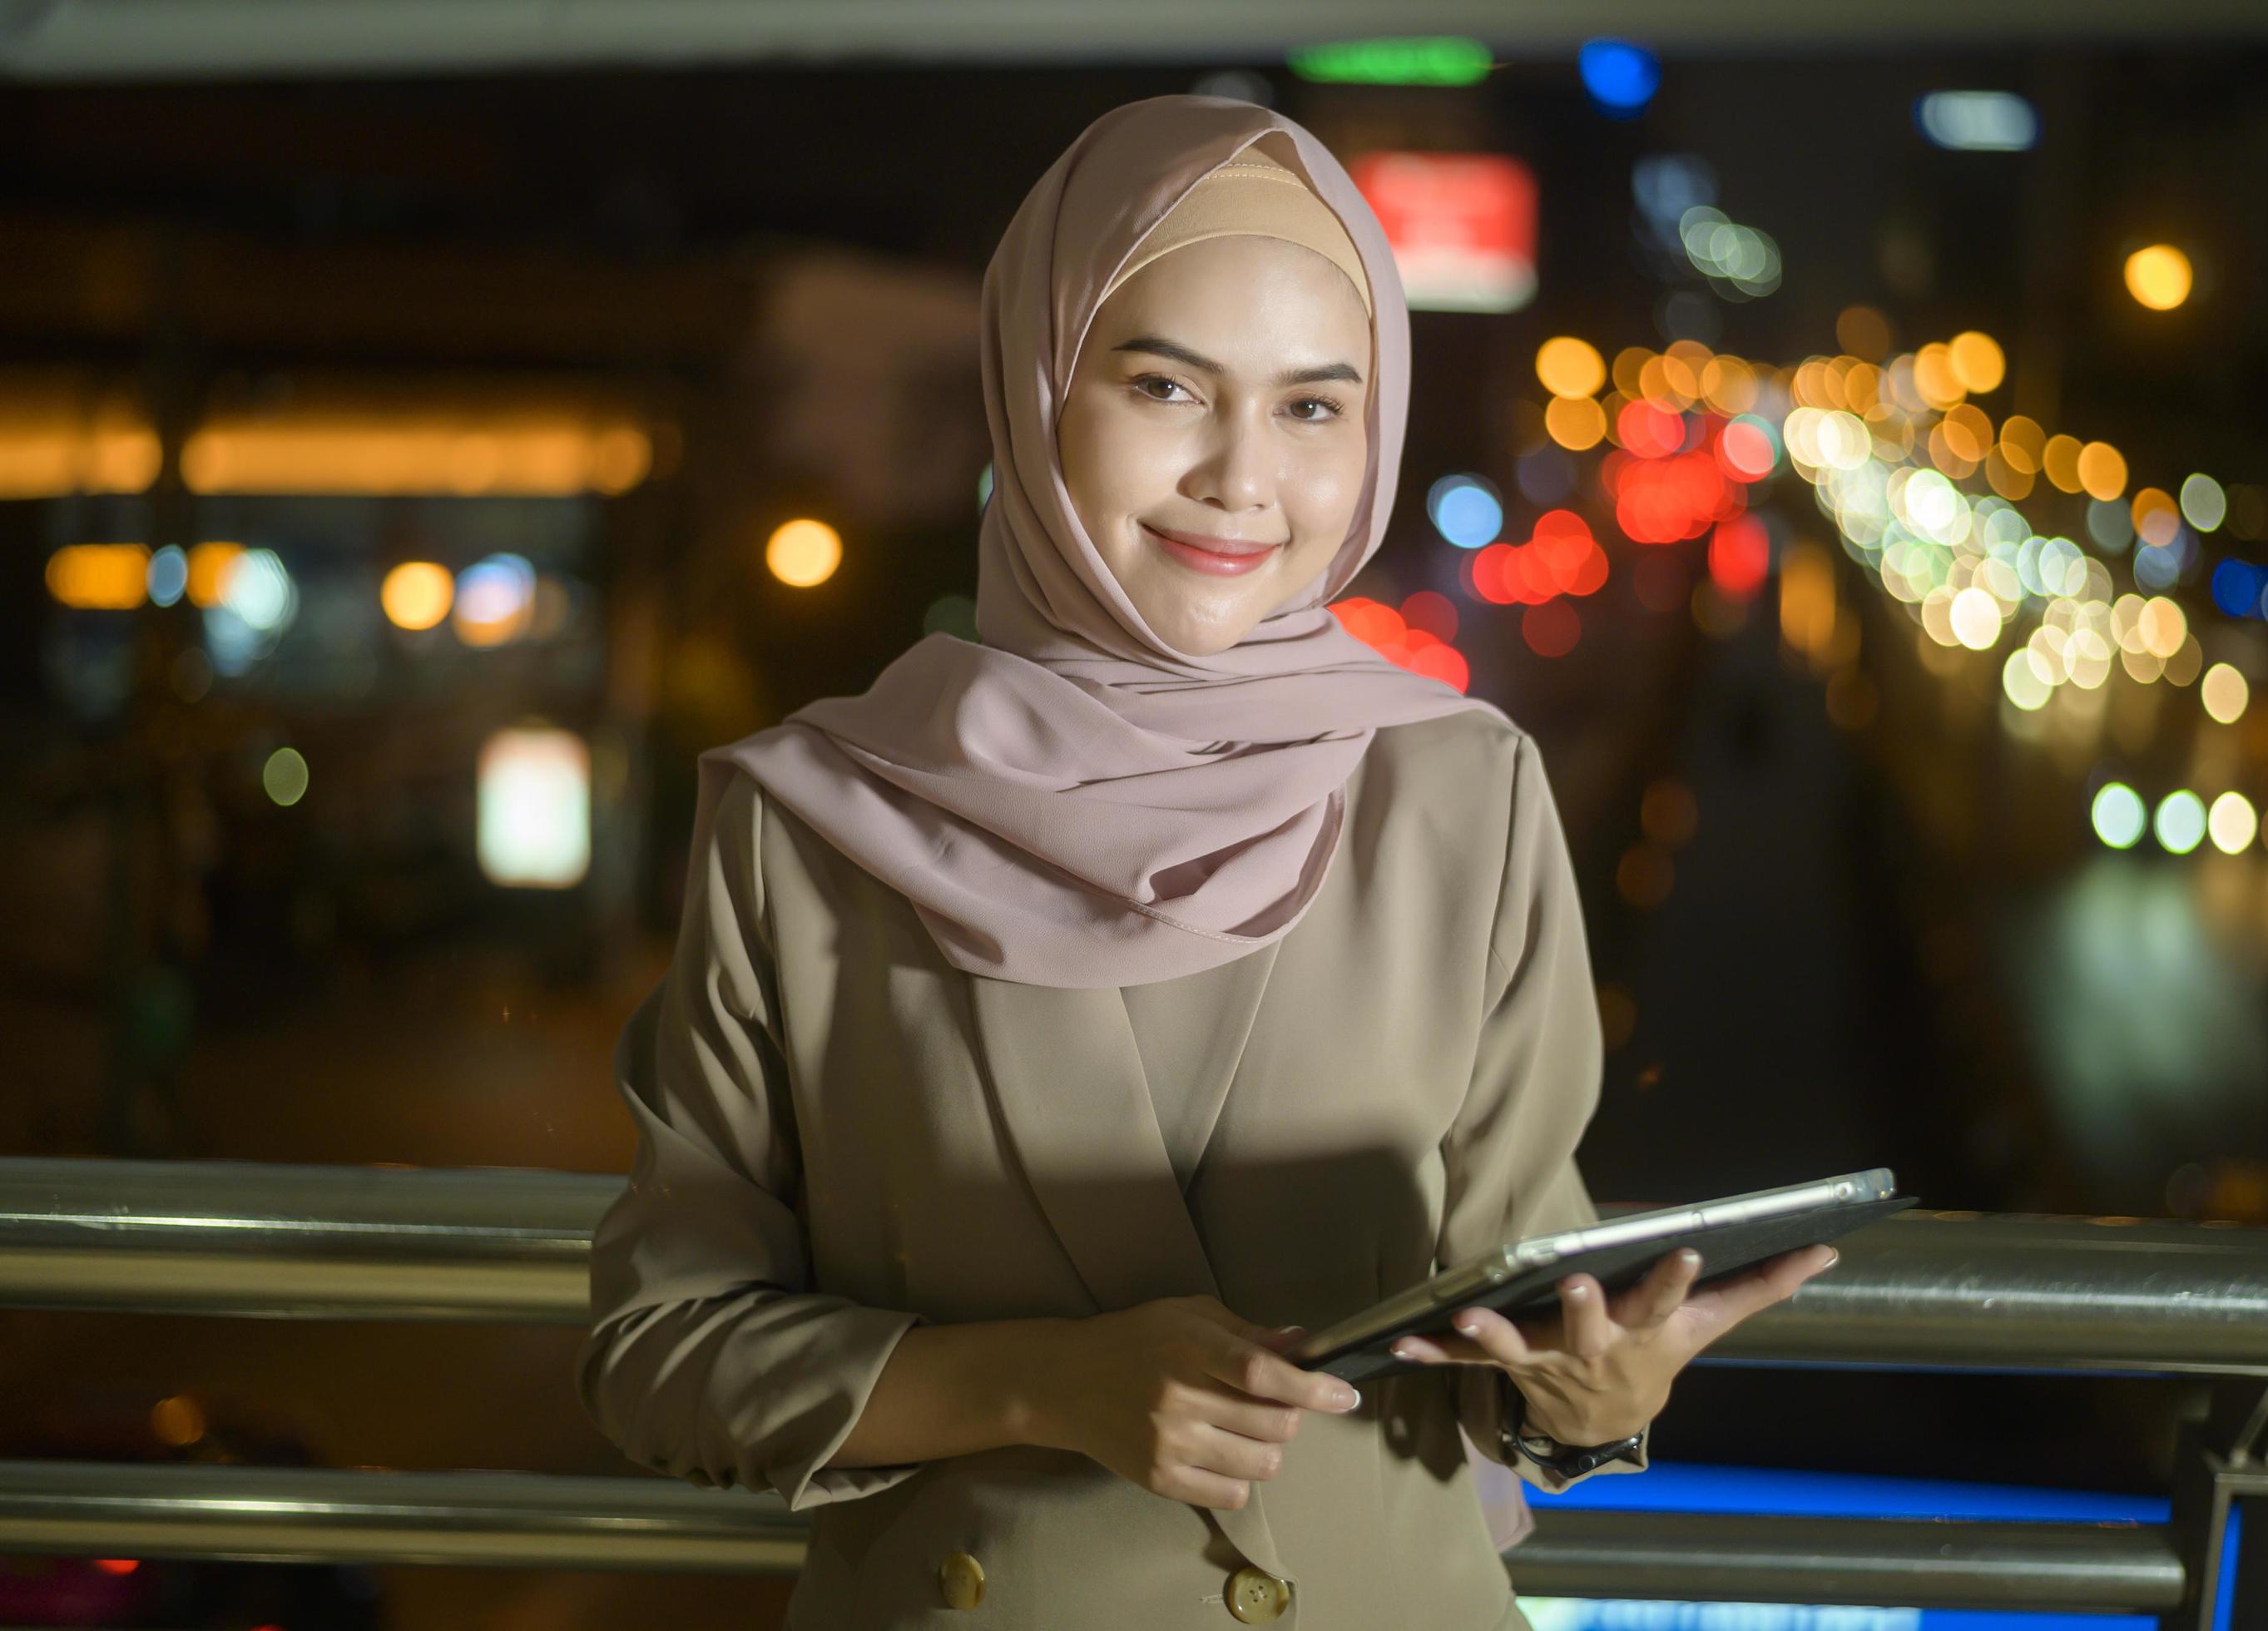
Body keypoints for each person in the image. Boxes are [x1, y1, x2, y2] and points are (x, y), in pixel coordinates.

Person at [576, 94, 1837, 1630]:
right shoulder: (809, 823)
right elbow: (661, 1353)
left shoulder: (1461, 792)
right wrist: (1035, 1383)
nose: (1244, 480)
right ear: (1034, 391)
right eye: (1166, 385)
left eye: (1314, 406)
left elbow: (1513, 1319)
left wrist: (1595, 1398)